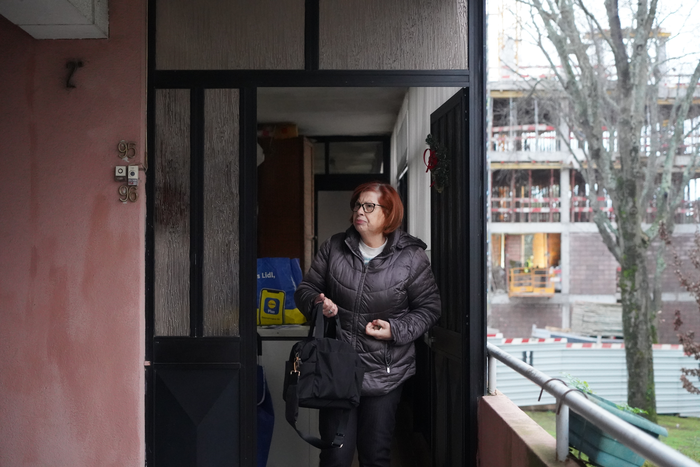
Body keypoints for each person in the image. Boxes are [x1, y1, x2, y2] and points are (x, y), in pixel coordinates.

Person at [294, 181, 441, 467]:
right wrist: (318, 303)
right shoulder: (334, 247)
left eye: (369, 206)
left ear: (389, 214)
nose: (360, 211)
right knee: (335, 456)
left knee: (375, 456)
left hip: (385, 373)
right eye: (358, 205)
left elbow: (430, 308)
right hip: (337, 370)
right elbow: (305, 290)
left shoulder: (411, 257)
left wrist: (395, 330)